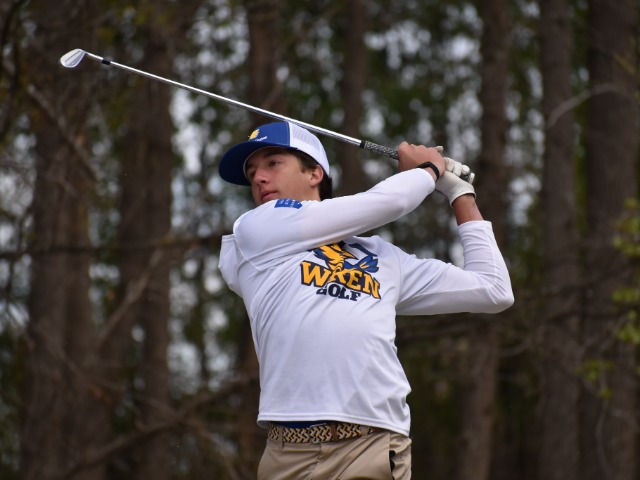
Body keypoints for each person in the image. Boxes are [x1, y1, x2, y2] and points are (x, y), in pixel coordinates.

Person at [217, 121, 514, 479]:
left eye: (272, 163)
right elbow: (391, 201)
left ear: (314, 173)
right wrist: (428, 170)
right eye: (251, 173)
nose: (259, 178)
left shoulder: (382, 256)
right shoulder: (256, 230)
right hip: (288, 452)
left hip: (371, 446)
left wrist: (460, 193)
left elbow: (493, 289)